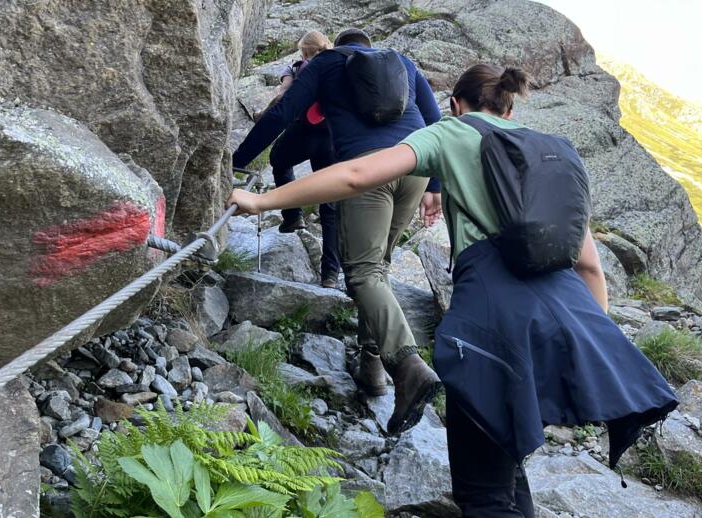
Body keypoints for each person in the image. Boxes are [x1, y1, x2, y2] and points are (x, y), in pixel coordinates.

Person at [226, 63, 679, 516]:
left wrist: (262, 199)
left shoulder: (452, 132)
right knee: (507, 461)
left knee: (482, 490)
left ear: (456, 104)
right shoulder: (554, 151)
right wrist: (582, 353)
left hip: (493, 320)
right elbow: (590, 268)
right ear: (510, 104)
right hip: (570, 319)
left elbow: (356, 175)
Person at [232, 28, 445, 435]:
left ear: (342, 45)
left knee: (363, 273)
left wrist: (239, 161)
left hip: (366, 171)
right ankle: (373, 367)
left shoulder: (326, 63)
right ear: (369, 46)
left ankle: (408, 365)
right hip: (413, 166)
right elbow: (436, 123)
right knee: (377, 268)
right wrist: (434, 185)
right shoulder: (402, 61)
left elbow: (282, 112)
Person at [259, 30, 341, 289]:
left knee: (279, 160)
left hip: (304, 134)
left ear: (304, 51)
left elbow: (286, 93)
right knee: (330, 204)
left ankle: (293, 214)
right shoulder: (339, 64)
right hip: (332, 139)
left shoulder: (304, 67)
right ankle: (330, 273)